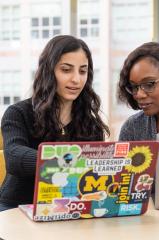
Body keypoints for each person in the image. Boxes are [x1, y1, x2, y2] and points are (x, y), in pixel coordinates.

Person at [0, 35, 109, 211]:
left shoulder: (91, 124)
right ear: (48, 71)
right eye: (66, 70)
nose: (76, 79)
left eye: (82, 71)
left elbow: (92, 174)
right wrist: (67, 162)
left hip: (69, 208)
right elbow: (14, 157)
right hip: (16, 206)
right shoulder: (19, 112)